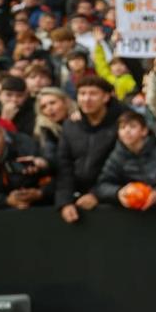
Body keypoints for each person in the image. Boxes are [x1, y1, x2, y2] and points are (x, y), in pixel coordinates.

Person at [55, 75, 123, 224]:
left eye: (93, 94)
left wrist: (97, 195)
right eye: (82, 94)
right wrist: (65, 202)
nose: (86, 99)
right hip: (78, 201)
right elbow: (64, 165)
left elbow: (121, 166)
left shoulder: (122, 124)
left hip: (114, 201)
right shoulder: (70, 125)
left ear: (106, 97)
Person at [97, 111, 156, 210]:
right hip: (131, 210)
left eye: (132, 126)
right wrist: (119, 192)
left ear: (144, 131)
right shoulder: (116, 156)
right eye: (122, 127)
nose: (127, 131)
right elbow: (102, 186)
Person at [0, 118, 48, 210]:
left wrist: (40, 193)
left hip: (37, 203)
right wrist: (6, 200)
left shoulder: (25, 145)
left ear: (2, 132)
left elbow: (55, 175)